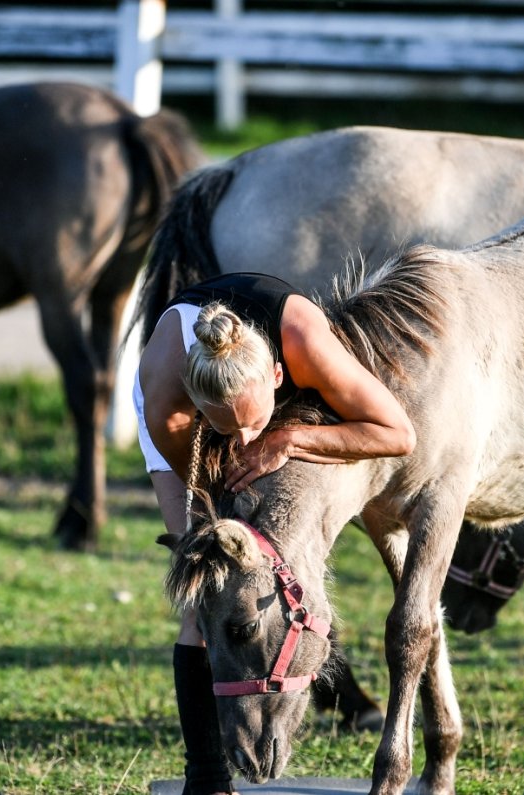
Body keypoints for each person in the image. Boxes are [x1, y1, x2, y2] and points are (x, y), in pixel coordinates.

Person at [136, 272, 414, 795]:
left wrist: (286, 438)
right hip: (187, 434)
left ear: (280, 377)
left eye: (252, 423)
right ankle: (208, 777)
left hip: (275, 395)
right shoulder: (169, 405)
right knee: (208, 594)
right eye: (227, 428)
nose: (243, 440)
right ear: (200, 406)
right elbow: (218, 522)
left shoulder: (304, 342)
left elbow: (397, 434)